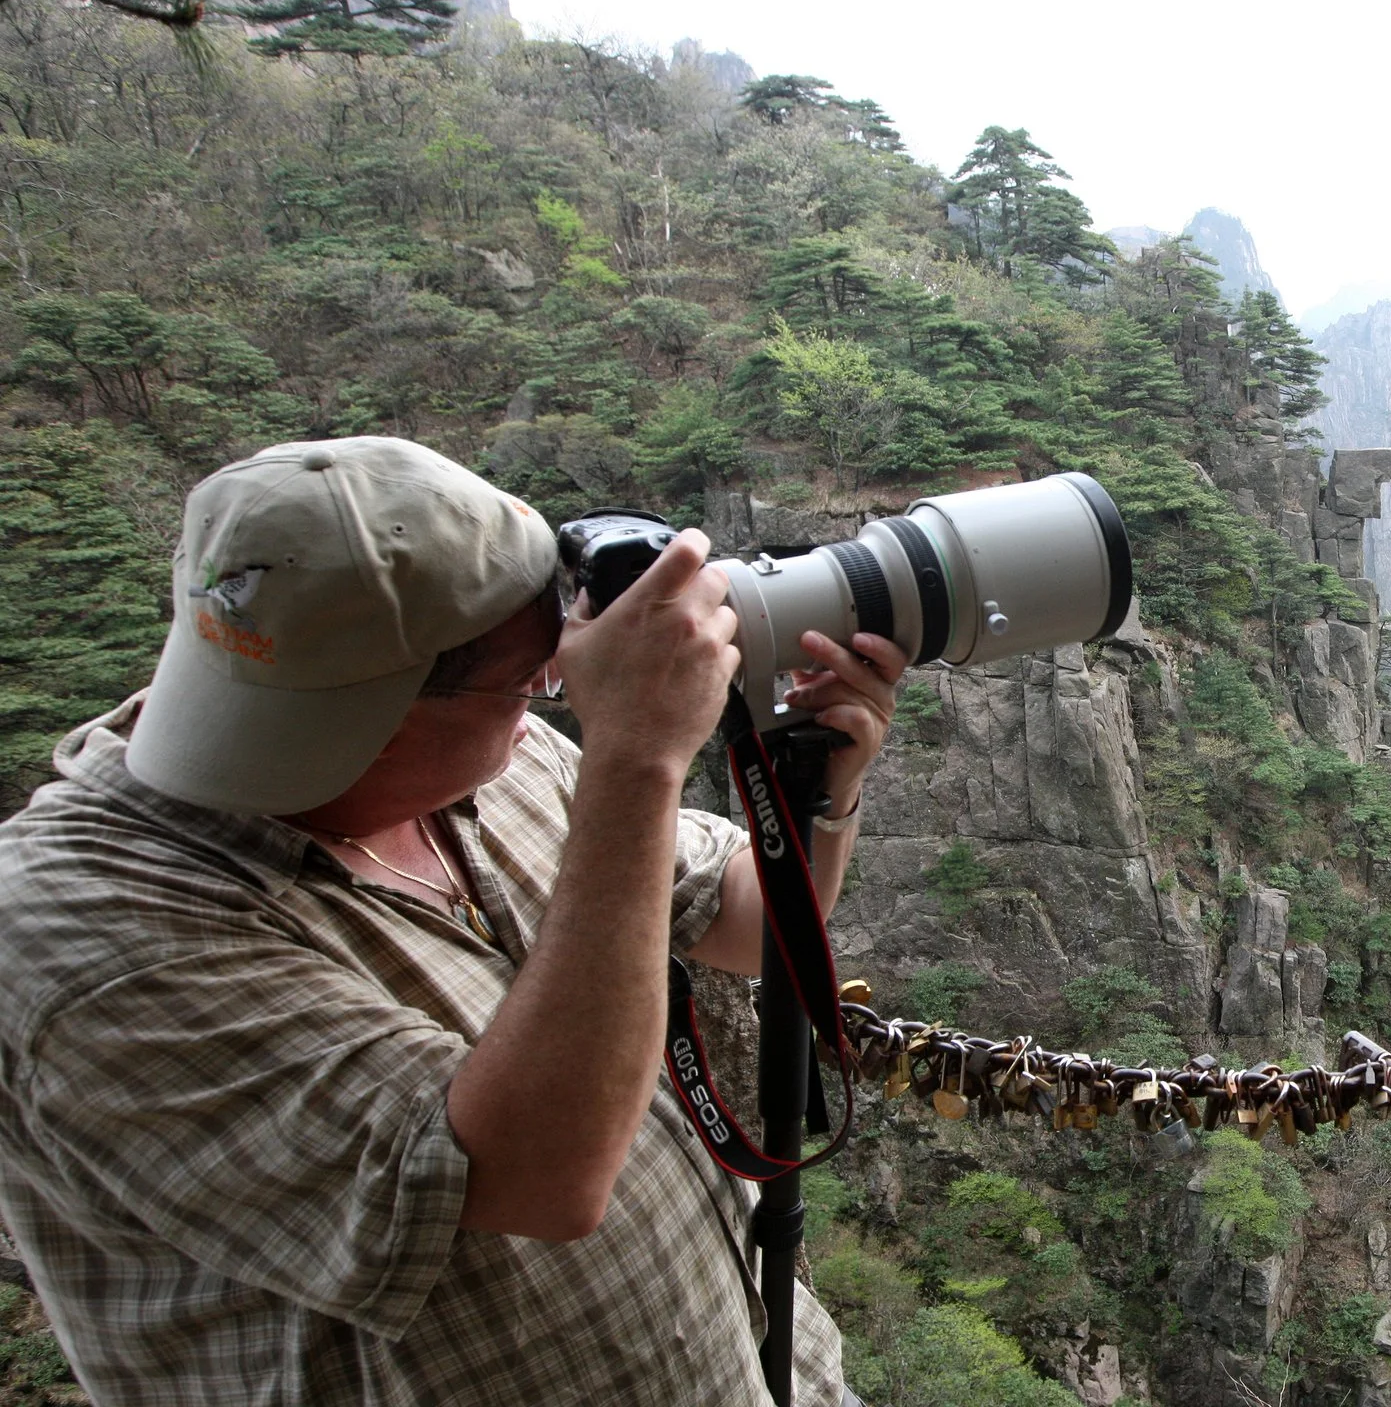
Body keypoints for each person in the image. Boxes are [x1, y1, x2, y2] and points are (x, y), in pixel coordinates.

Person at [0, 436, 901, 1404]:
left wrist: (821, 787)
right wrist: (635, 757)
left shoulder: (480, 759)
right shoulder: (73, 937)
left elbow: (746, 916)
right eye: (527, 688)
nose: (541, 714)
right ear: (370, 712)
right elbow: (541, 1172)